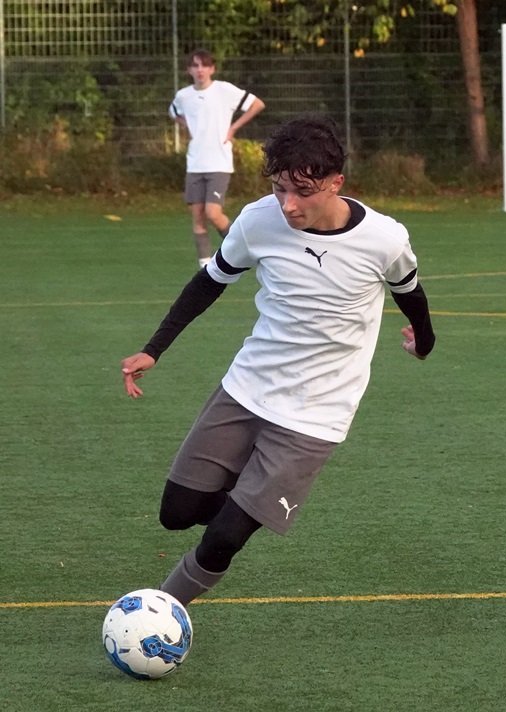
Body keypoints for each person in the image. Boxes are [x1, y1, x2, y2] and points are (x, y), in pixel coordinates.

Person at [120, 114, 436, 607]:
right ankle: (250, 501)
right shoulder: (257, 221)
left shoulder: (385, 239)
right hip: (246, 389)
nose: (288, 205)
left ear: (336, 183)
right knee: (177, 512)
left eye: (303, 192)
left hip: (316, 415)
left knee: (223, 539)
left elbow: (410, 292)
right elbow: (209, 282)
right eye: (279, 188)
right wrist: (154, 348)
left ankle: (159, 613)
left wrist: (425, 341)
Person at [170, 49, 266, 268]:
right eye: (195, 65)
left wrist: (233, 128)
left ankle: (243, 249)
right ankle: (205, 265)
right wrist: (189, 126)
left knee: (213, 213)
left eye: (204, 65)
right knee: (198, 217)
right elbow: (174, 112)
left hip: (219, 163)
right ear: (189, 70)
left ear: (212, 69)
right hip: (195, 163)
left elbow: (257, 104)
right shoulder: (183, 96)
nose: (200, 70)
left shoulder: (224, 90)